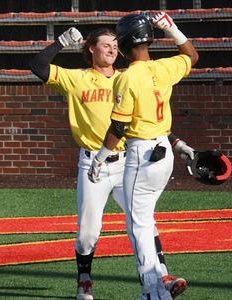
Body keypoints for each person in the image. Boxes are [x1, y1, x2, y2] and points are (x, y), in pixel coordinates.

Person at [29, 26, 188, 300]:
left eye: (115, 45)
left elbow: (143, 119)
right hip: (94, 166)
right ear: (91, 49)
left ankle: (161, 276)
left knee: (143, 219)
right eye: (106, 45)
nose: (113, 49)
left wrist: (174, 141)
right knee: (87, 235)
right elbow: (36, 66)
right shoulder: (77, 79)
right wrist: (61, 42)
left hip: (129, 162)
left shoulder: (127, 78)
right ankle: (84, 280)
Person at [88, 12, 198, 300]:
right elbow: (191, 56)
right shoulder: (163, 68)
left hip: (142, 154)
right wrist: (172, 29)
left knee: (137, 225)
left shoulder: (127, 78)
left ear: (123, 44)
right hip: (164, 151)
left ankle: (153, 290)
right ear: (149, 38)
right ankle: (160, 279)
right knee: (145, 219)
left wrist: (100, 157)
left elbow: (119, 126)